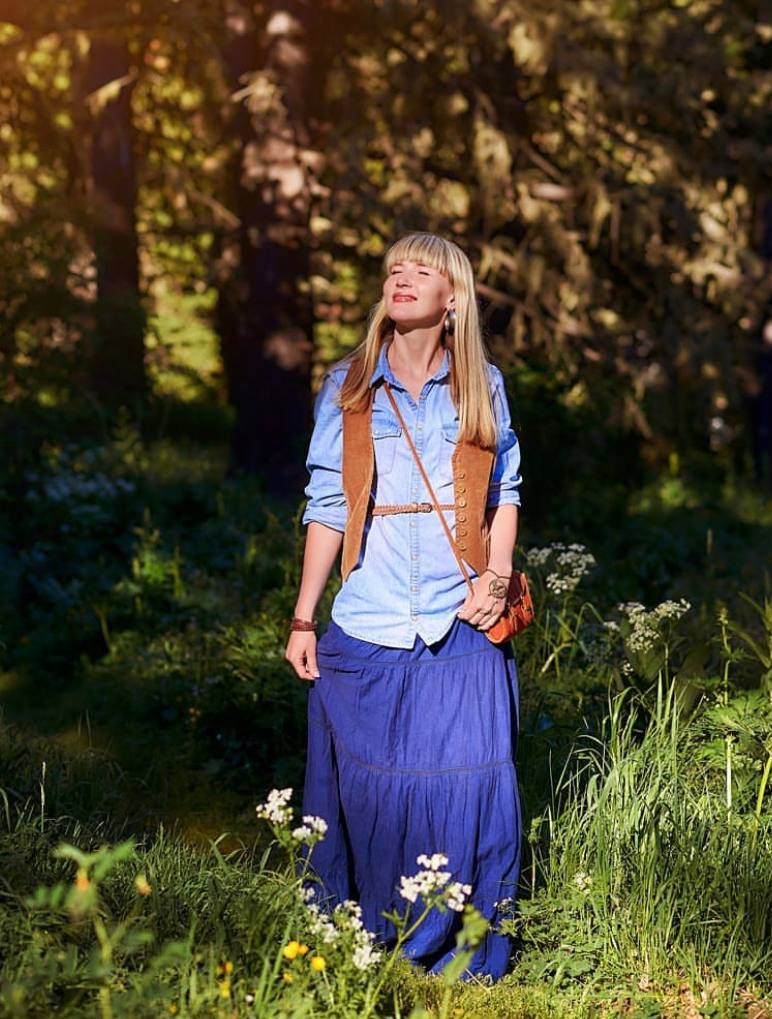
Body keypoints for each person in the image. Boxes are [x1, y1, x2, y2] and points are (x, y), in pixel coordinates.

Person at [285, 232, 522, 980]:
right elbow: (327, 504)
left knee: (469, 780)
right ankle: (372, 932)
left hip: (462, 612)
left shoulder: (481, 384)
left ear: (453, 298)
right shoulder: (349, 384)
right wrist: (304, 615)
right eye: (394, 269)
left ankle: (463, 941)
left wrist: (497, 576)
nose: (403, 278)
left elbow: (505, 491)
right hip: (372, 613)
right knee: (373, 786)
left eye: (423, 270)